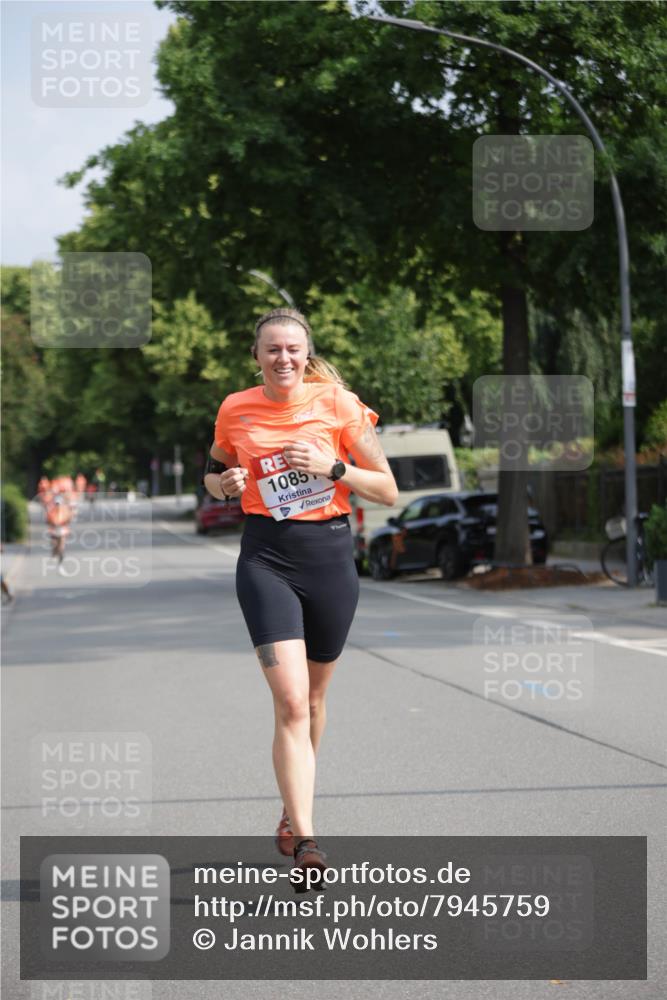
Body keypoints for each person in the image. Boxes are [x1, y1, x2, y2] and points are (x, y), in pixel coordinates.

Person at [203, 307, 398, 887]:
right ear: (256, 355)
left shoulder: (339, 404)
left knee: (313, 702)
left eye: (292, 349)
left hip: (331, 557)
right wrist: (226, 483)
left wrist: (333, 466)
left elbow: (387, 490)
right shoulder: (235, 409)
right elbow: (210, 476)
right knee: (290, 702)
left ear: (305, 353)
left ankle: (293, 807)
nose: (282, 358)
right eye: (271, 349)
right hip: (266, 557)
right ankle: (308, 842)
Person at [45, 494, 73, 572]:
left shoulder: (65, 510)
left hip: (62, 530)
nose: (58, 505)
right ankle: (54, 555)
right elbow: (48, 520)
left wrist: (64, 522)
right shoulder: (51, 510)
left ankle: (60, 563)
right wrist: (52, 523)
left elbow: (69, 519)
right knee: (54, 545)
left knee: (61, 548)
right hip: (54, 530)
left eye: (59, 503)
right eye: (57, 503)